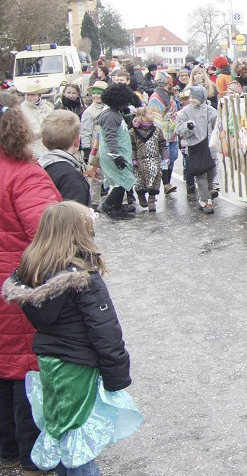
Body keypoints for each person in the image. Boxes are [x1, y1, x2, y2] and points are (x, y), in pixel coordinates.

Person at [2, 201, 142, 476]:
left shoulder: (32, 272)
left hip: (50, 363)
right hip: (79, 367)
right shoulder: (84, 278)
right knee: (80, 441)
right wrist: (117, 374)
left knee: (62, 430)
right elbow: (105, 330)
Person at [0, 104, 60, 475]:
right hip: (19, 287)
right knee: (26, 371)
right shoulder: (25, 175)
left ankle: (7, 453)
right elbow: (50, 238)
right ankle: (31, 459)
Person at [96, 84, 136, 220]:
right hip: (114, 154)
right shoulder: (110, 116)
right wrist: (115, 155)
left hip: (118, 153)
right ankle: (107, 206)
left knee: (121, 180)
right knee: (124, 179)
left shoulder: (115, 112)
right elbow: (110, 137)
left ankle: (118, 208)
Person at [176, 86, 218, 214]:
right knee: (201, 173)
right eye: (191, 97)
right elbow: (178, 128)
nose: (192, 100)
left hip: (209, 145)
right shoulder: (185, 111)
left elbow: (217, 125)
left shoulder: (210, 110)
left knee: (212, 171)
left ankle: (204, 194)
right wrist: (187, 127)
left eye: (194, 98)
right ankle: (206, 201)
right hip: (195, 145)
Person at [38, 110, 90, 206]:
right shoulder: (72, 177)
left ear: (43, 141)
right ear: (77, 140)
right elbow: (74, 218)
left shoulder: (36, 167)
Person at [146, 72, 180, 195]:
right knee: (164, 159)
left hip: (173, 131)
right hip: (163, 133)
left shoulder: (170, 95)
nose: (172, 82)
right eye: (170, 80)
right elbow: (155, 118)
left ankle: (168, 182)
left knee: (172, 157)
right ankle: (166, 184)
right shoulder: (156, 97)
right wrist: (158, 135)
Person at [129, 107, 167, 212]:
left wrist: (165, 156)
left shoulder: (157, 130)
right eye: (150, 114)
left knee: (155, 177)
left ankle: (151, 200)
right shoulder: (133, 132)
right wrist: (133, 158)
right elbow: (132, 147)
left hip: (154, 159)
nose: (153, 115)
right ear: (144, 118)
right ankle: (141, 194)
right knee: (140, 181)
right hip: (140, 160)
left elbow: (162, 144)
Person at [19, 86, 53, 158]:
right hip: (31, 151)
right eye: (27, 95)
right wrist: (41, 132)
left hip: (49, 149)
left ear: (39, 95)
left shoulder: (47, 109)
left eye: (33, 95)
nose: (29, 97)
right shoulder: (20, 110)